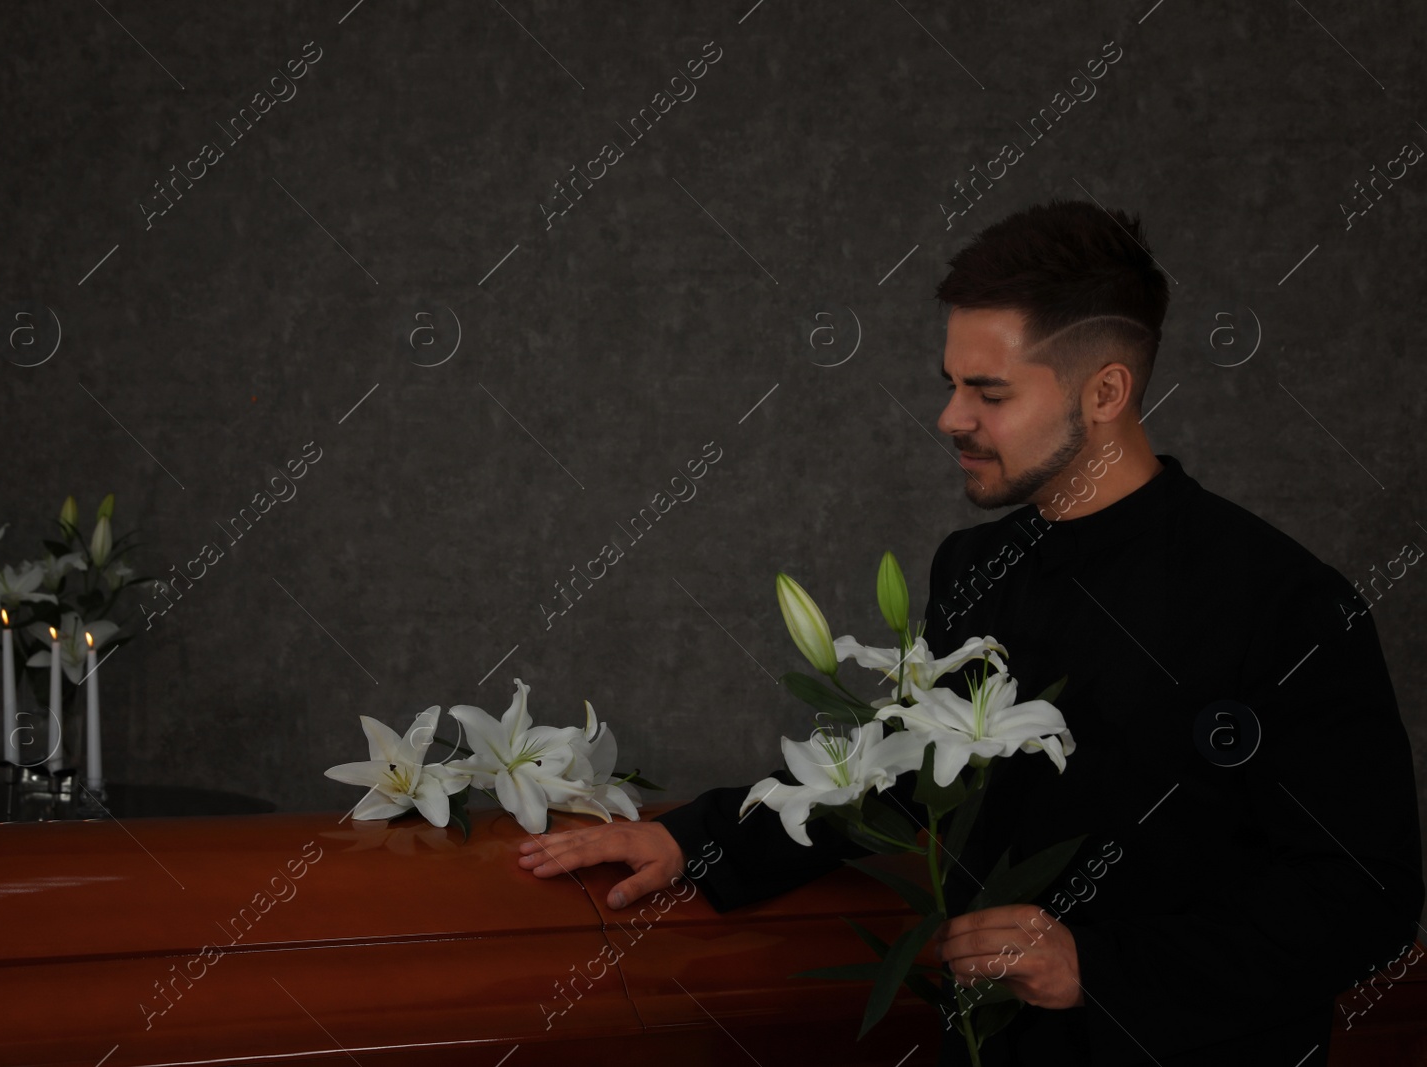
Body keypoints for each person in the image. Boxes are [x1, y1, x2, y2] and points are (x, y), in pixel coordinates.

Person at [516, 199, 1424, 1064]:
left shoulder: (1284, 600)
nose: (951, 417)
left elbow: (1367, 893)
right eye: (950, 385)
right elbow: (908, 777)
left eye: (988, 391)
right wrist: (702, 839)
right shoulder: (974, 567)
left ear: (1106, 389)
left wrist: (1101, 971)